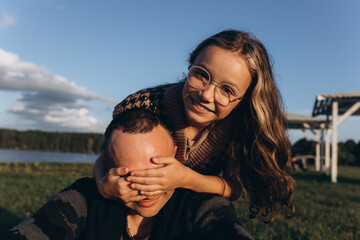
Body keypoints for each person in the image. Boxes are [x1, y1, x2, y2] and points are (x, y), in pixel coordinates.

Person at [94, 29, 295, 221]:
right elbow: (106, 155)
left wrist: (185, 178)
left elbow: (234, 187)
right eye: (201, 75)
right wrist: (102, 183)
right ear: (190, 66)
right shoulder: (144, 105)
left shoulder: (239, 130)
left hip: (187, 213)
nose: (206, 95)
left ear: (244, 99)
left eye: (227, 90)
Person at [6, 109, 254, 240]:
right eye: (130, 176)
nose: (146, 189)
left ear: (176, 157)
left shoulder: (198, 205)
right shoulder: (84, 197)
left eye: (157, 172)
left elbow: (224, 227)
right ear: (106, 166)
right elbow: (42, 227)